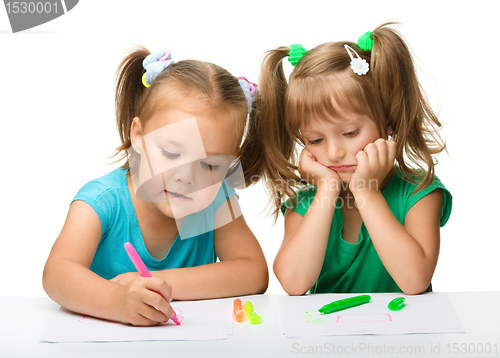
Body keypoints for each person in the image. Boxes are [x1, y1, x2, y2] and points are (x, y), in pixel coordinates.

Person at [42, 46, 268, 326]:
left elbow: (254, 273)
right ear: (138, 134)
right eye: (171, 154)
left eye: (209, 166)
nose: (186, 177)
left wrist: (163, 284)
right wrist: (116, 301)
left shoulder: (217, 200)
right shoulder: (101, 202)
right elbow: (57, 274)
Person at [254, 22, 452, 296]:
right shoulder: (307, 201)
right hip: (326, 334)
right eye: (315, 140)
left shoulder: (419, 192)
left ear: (388, 120)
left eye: (349, 132)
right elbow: (294, 283)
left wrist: (366, 192)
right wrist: (327, 188)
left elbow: (414, 281)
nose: (334, 152)